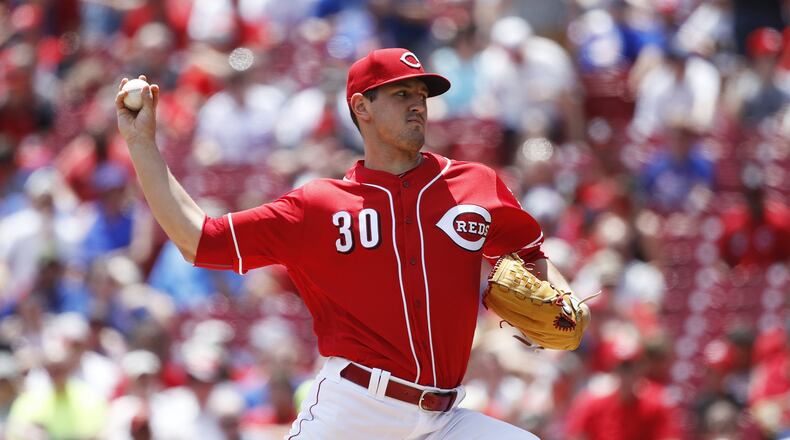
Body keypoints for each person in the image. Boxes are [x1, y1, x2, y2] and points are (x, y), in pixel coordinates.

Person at [116, 47, 581, 439]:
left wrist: (564, 301)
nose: (418, 104)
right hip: (356, 411)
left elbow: (532, 258)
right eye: (402, 94)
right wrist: (142, 145)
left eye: (422, 95)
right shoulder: (317, 207)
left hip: (445, 419)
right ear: (362, 107)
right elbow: (198, 239)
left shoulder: (474, 184)